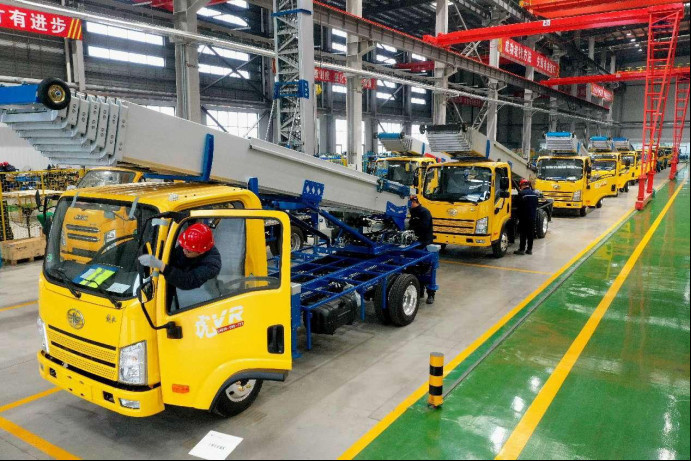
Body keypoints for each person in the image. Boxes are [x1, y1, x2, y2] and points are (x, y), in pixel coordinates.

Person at [138, 223, 222, 290]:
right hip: (173, 280)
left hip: (196, 296)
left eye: (188, 250)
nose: (183, 251)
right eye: (183, 247)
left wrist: (161, 266)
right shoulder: (189, 246)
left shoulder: (212, 265)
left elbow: (188, 281)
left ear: (201, 252)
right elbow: (173, 259)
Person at [408, 194, 436, 304]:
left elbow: (423, 227)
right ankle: (419, 291)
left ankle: (431, 294)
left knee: (427, 269)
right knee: (414, 268)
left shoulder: (424, 212)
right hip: (415, 243)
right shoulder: (413, 212)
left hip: (425, 243)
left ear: (414, 202)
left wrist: (413, 228)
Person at [514, 179, 539, 256]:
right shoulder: (534, 194)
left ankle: (521, 249)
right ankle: (529, 250)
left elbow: (518, 205)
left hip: (523, 217)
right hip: (532, 217)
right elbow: (536, 205)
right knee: (530, 234)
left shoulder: (521, 193)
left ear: (522, 185)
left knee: (523, 234)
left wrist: (516, 216)